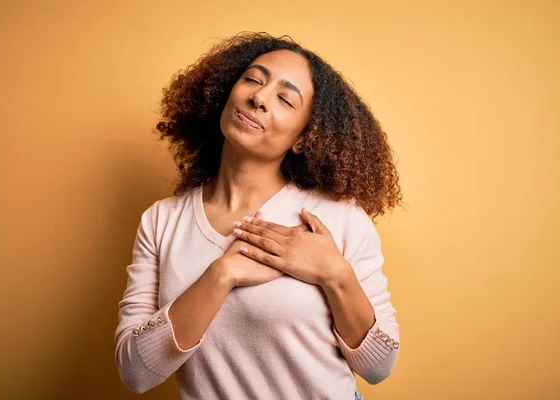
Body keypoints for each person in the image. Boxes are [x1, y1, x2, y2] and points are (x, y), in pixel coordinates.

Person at [114, 32, 403, 400]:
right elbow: (135, 371)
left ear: (303, 138)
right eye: (253, 79)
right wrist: (222, 274)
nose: (259, 98)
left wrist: (336, 274)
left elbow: (378, 367)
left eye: (285, 99)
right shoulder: (161, 221)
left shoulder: (337, 219)